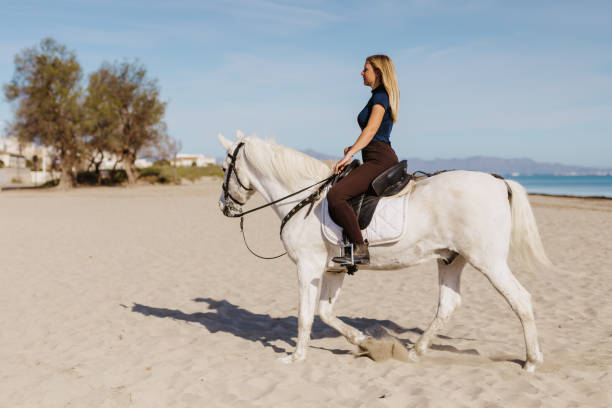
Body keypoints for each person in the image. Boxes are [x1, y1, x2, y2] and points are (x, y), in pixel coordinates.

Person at [328, 54, 400, 265]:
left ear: (377, 72)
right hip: (374, 155)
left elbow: (371, 131)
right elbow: (372, 136)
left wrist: (349, 155)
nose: (361, 72)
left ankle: (359, 249)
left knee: (336, 196)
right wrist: (353, 147)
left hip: (380, 160)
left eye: (365, 69)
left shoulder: (381, 96)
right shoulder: (376, 96)